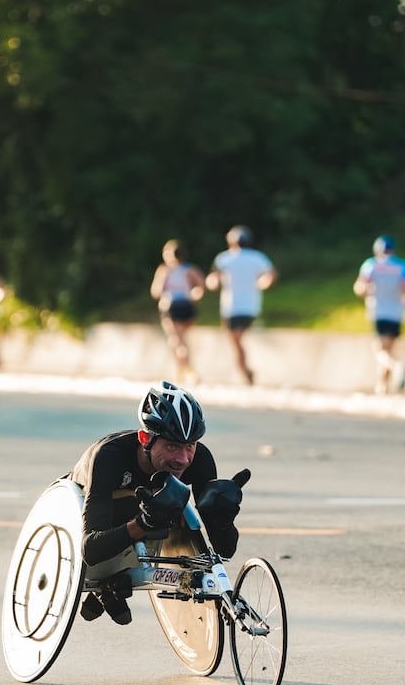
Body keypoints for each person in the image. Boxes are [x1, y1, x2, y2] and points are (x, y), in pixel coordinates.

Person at [69, 380, 250, 625]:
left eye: (190, 446)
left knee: (174, 507)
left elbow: (223, 551)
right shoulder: (110, 457)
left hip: (142, 527)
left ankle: (115, 585)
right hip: (85, 511)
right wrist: (142, 524)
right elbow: (90, 549)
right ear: (145, 438)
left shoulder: (200, 460)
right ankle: (110, 583)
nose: (183, 459)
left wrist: (223, 521)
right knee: (149, 505)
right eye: (172, 446)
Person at [205, 225, 277, 385]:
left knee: (235, 340)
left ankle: (244, 370)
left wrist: (213, 283)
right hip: (251, 305)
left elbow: (212, 280)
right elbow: (270, 274)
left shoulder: (224, 258)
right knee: (237, 339)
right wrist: (261, 283)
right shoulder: (257, 257)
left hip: (231, 306)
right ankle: (244, 370)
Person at [353, 235, 405, 395]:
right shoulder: (403, 266)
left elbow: (360, 287)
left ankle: (397, 367)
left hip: (379, 311)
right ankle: (382, 387)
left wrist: (366, 292)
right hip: (397, 312)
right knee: (388, 348)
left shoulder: (371, 265)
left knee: (380, 351)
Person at [149, 239, 206, 382]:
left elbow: (156, 291)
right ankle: (180, 372)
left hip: (172, 307)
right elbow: (201, 286)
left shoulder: (164, 270)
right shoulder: (189, 269)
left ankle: (190, 370)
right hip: (187, 306)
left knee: (177, 341)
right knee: (178, 341)